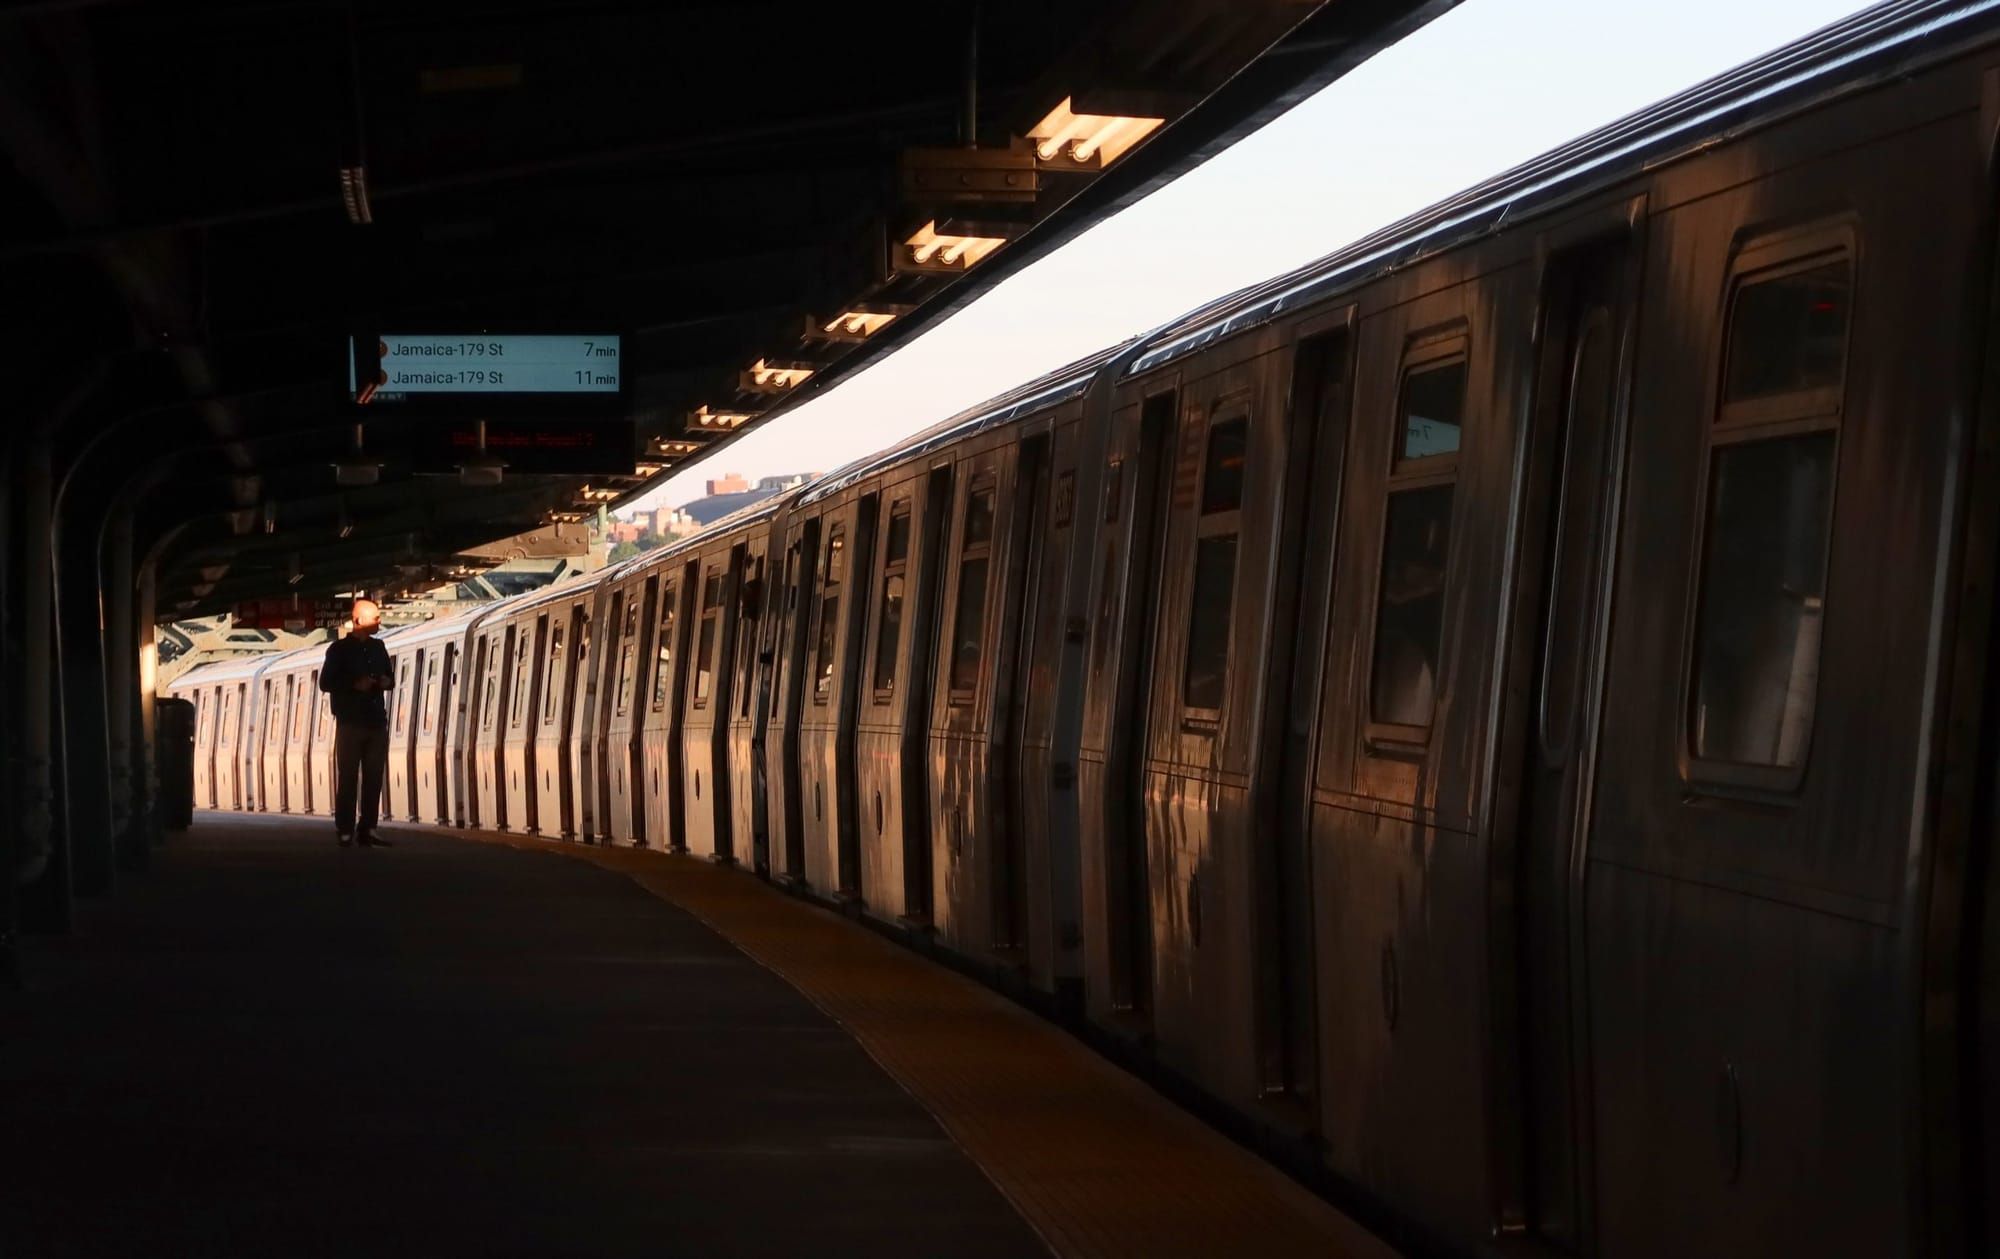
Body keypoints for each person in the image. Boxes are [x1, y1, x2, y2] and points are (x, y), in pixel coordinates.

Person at [320, 598, 395, 848]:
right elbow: (325, 683)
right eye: (375, 618)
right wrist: (354, 684)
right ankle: (344, 828)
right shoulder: (338, 650)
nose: (379, 622)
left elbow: (390, 676)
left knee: (374, 777)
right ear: (358, 620)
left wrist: (385, 681)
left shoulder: (379, 647)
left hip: (376, 720)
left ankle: (369, 827)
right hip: (349, 721)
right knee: (349, 777)